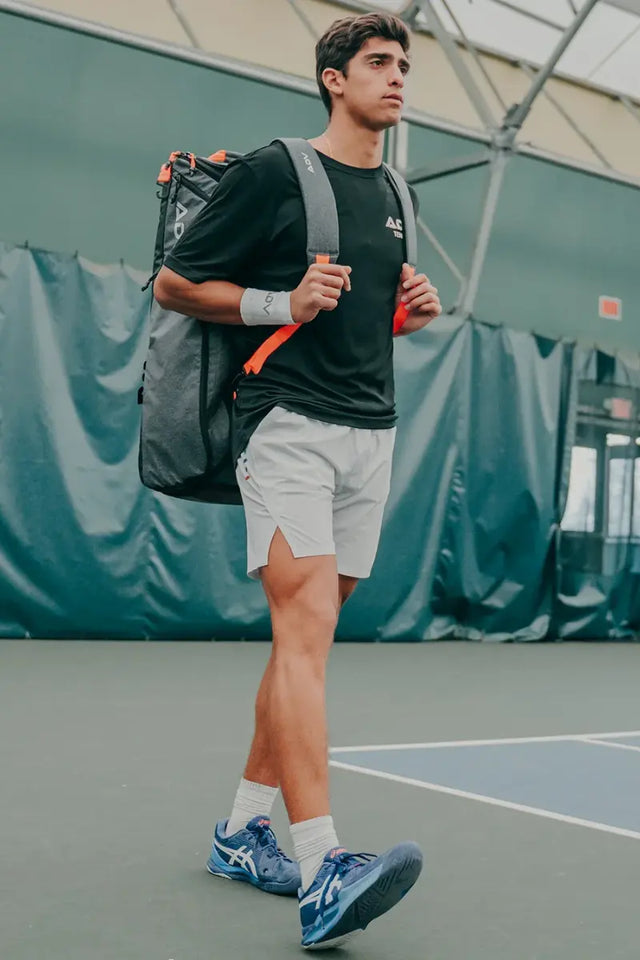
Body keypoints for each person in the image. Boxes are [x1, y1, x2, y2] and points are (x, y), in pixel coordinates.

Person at [154, 10, 442, 949]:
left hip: (372, 437)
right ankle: (322, 866)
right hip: (288, 431)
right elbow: (174, 281)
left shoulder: (397, 188)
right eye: (378, 62)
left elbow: (361, 319)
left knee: (302, 648)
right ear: (333, 78)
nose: (397, 77)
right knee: (306, 638)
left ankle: (243, 830)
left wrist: (410, 313)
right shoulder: (275, 171)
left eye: (404, 64)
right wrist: (283, 298)